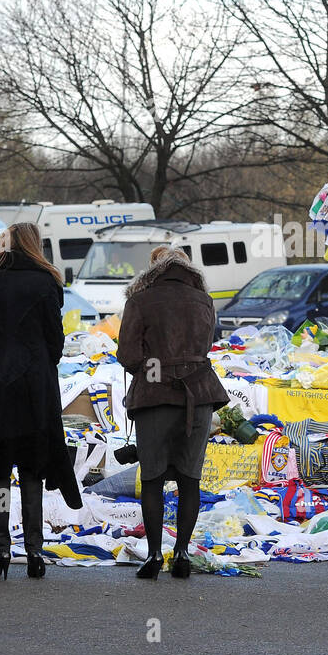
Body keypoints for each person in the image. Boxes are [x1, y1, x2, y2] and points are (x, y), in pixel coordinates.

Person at [0, 222, 83, 580]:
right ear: (34, 245)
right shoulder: (47, 282)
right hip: (34, 385)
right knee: (32, 468)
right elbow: (54, 339)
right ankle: (34, 552)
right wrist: (40, 361)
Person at [116, 246, 229, 579]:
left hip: (155, 397)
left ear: (154, 269)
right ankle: (182, 553)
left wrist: (155, 370)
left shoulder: (140, 300)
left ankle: (153, 556)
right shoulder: (203, 299)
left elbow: (127, 354)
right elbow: (205, 347)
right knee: (189, 478)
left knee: (152, 479)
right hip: (200, 393)